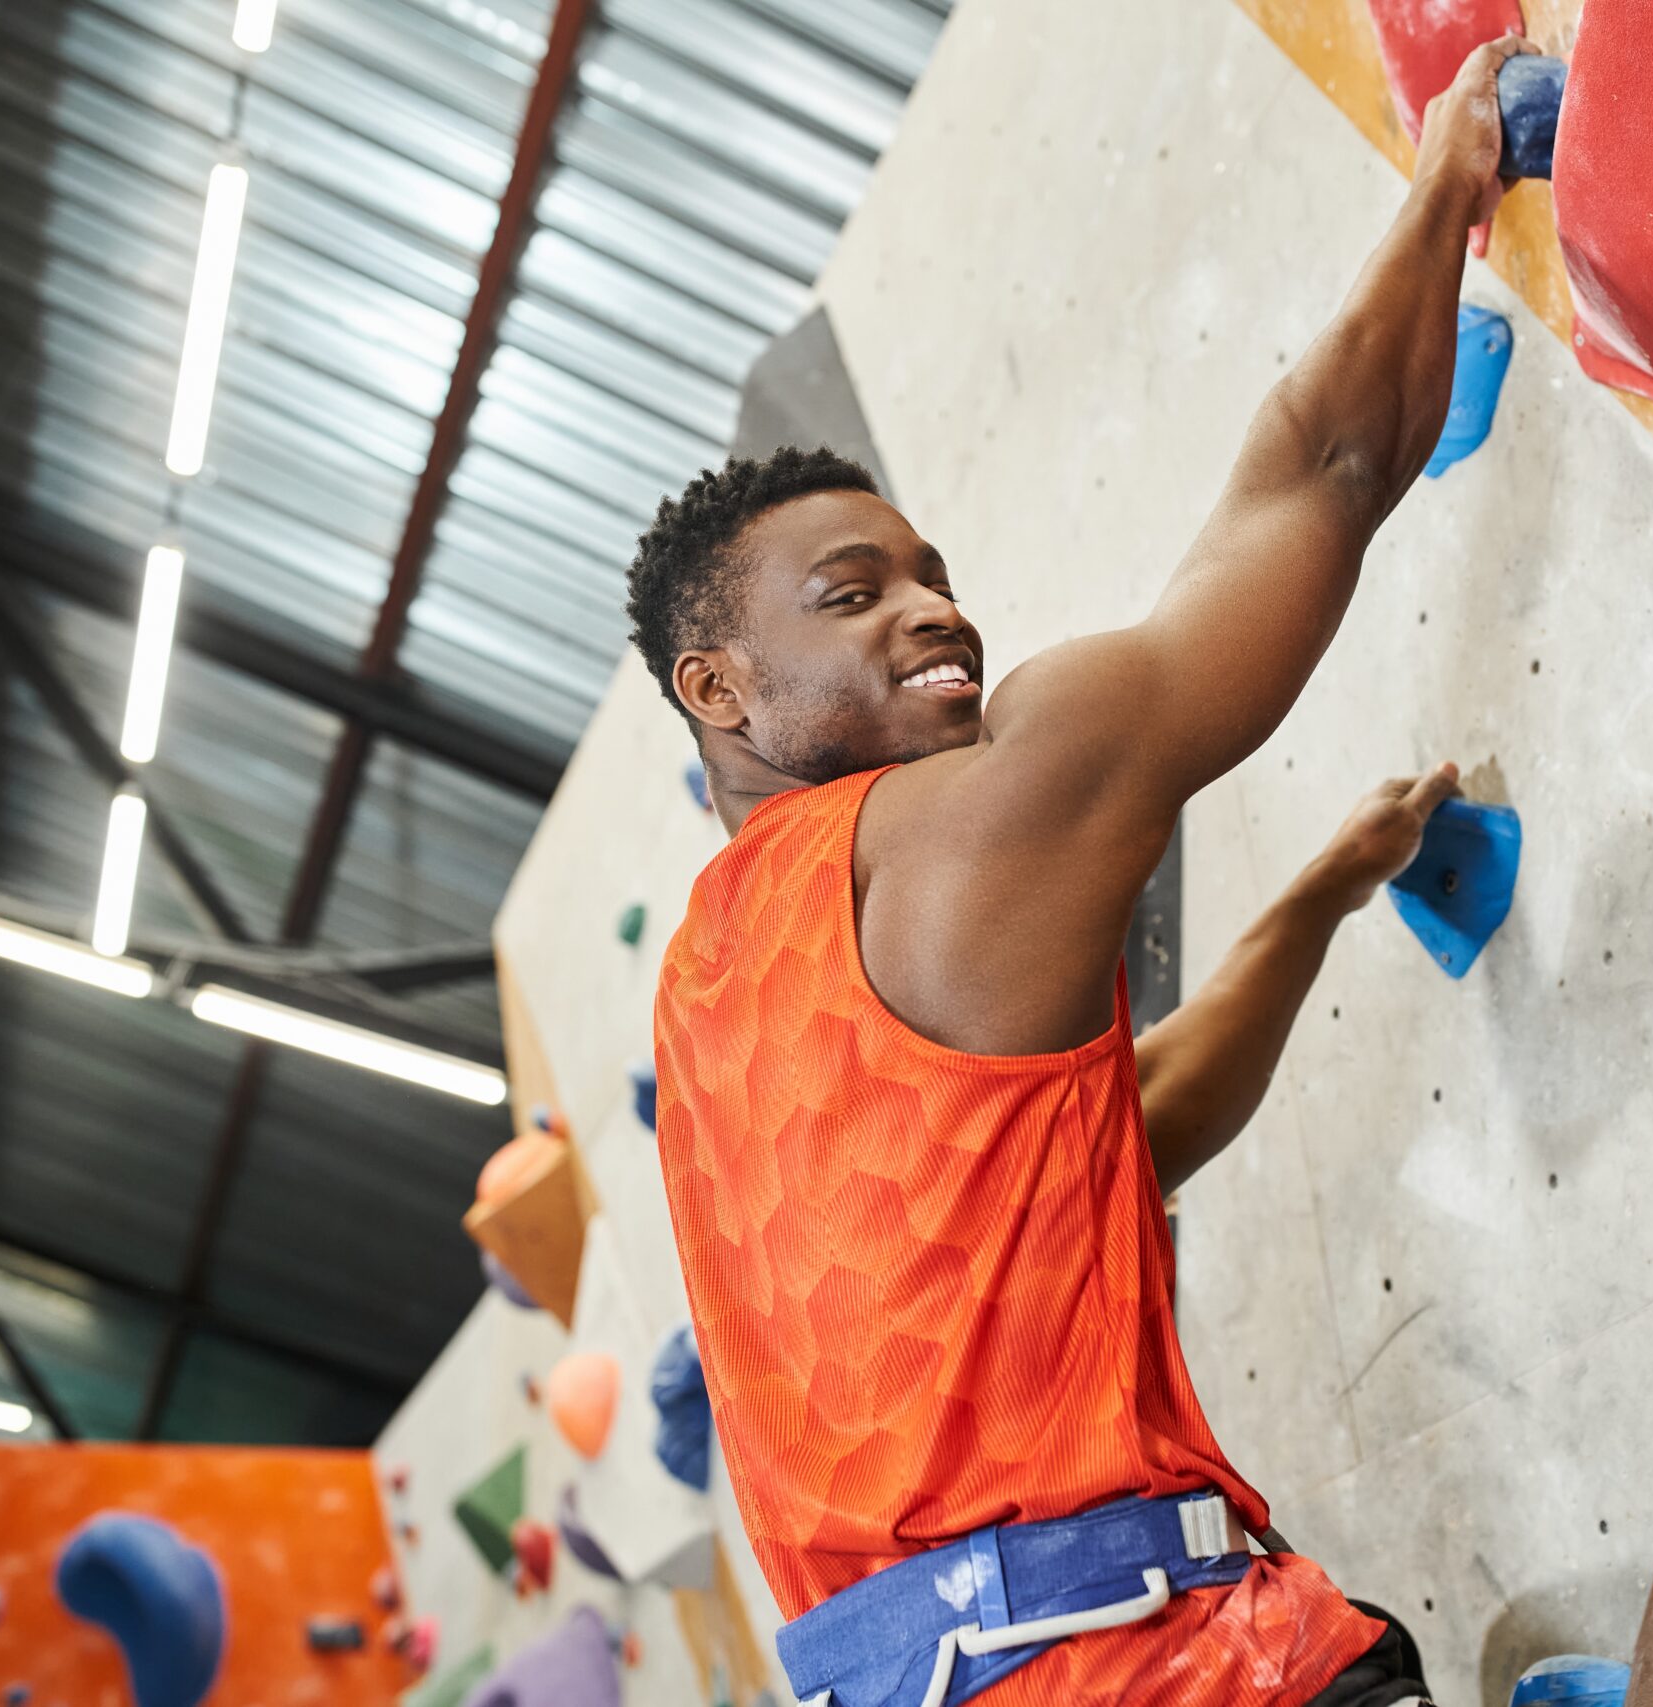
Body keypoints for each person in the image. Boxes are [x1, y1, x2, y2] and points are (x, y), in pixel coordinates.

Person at [630, 34, 1535, 1707]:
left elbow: (1137, 1126)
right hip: (1164, 1674)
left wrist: (1320, 900)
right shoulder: (968, 819)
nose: (934, 611)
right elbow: (1325, 474)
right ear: (720, 690)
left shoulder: (710, 1008)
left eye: (933, 574)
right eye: (852, 595)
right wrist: (1449, 188)